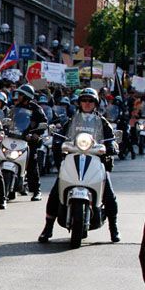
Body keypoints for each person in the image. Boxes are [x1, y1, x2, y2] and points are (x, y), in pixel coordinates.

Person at [38, 87, 120, 243]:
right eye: (84, 100)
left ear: (95, 103)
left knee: (109, 195)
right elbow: (60, 136)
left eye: (90, 101)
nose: (87, 103)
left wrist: (112, 147)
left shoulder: (102, 122)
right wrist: (57, 142)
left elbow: (111, 141)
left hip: (95, 161)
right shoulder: (71, 120)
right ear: (79, 103)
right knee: (55, 192)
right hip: (73, 159)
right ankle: (48, 228)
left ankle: (113, 228)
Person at [12, 83, 47, 200]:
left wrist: (36, 134)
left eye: (21, 94)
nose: (19, 96)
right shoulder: (16, 107)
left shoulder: (37, 109)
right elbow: (10, 119)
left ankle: (37, 190)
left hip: (30, 141)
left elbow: (44, 123)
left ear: (27, 96)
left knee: (32, 163)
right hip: (17, 138)